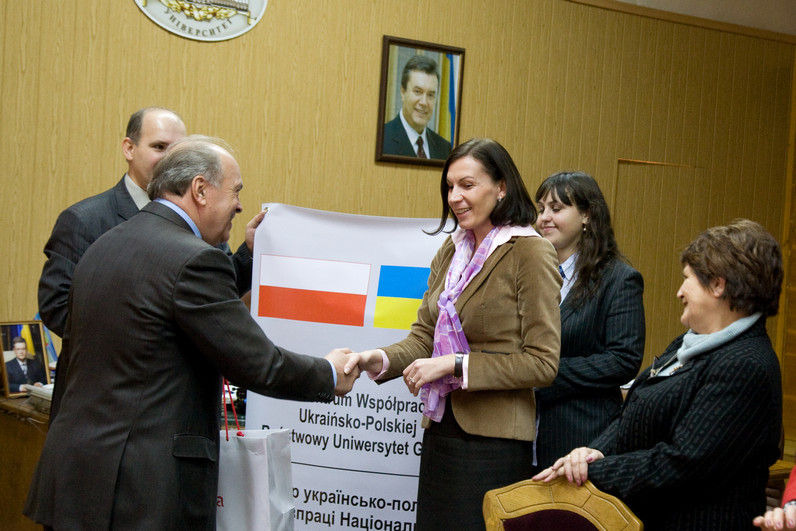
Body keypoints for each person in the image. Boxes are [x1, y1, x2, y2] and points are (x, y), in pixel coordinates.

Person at [24, 136, 360, 530]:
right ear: (200, 189)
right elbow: (259, 363)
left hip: (73, 480)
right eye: (235, 191)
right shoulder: (195, 259)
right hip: (140, 493)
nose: (239, 205)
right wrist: (329, 372)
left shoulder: (103, 246)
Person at [346, 138, 562, 530]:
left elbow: (542, 363)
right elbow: (422, 337)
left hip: (494, 444)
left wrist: (456, 365)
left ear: (501, 187)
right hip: (441, 430)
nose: (455, 197)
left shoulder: (530, 252)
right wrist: (375, 359)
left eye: (467, 185)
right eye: (449, 186)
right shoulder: (451, 249)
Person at [533, 219, 784, 531]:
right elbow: (634, 411)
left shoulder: (745, 365)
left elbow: (684, 464)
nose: (679, 292)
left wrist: (593, 471)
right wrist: (595, 451)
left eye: (687, 279)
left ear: (718, 285)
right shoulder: (690, 343)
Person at [37, 107, 264, 338]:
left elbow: (216, 290)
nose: (170, 158)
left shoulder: (202, 217)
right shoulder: (84, 219)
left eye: (178, 150)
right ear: (129, 148)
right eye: (159, 147)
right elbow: (57, 306)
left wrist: (249, 252)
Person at [533, 171, 645, 469]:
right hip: (522, 432)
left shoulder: (619, 279)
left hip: (581, 434)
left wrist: (542, 375)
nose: (544, 218)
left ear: (587, 215)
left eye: (556, 208)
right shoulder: (531, 273)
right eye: (541, 209)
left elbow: (623, 359)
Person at [382, 55, 452, 159]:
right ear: (403, 92)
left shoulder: (444, 149)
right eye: (417, 92)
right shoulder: (382, 139)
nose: (424, 102)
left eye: (430, 95)